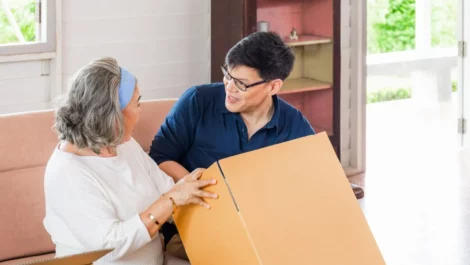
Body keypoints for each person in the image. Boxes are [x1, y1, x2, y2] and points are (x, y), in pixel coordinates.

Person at [149, 31, 364, 260]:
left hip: (266, 227)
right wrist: (196, 187)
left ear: (273, 87)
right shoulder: (197, 100)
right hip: (199, 222)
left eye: (241, 83)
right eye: (227, 75)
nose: (229, 87)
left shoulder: (294, 125)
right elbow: (159, 157)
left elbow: (315, 183)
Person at [42, 57, 218, 265]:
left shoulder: (122, 143)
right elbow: (108, 248)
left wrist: (206, 201)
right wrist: (170, 201)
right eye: (137, 103)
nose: (140, 111)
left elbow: (166, 188)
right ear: (112, 116)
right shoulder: (67, 173)